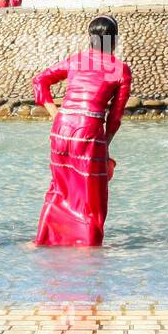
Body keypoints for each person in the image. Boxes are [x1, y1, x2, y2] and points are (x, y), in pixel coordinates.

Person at [32, 16, 132, 246]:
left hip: (61, 129)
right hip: (89, 131)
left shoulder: (77, 60)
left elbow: (40, 80)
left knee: (59, 188)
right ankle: (89, 253)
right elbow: (115, 118)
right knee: (91, 197)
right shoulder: (121, 70)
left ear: (90, 39)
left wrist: (55, 114)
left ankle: (44, 241)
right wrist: (104, 145)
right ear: (114, 41)